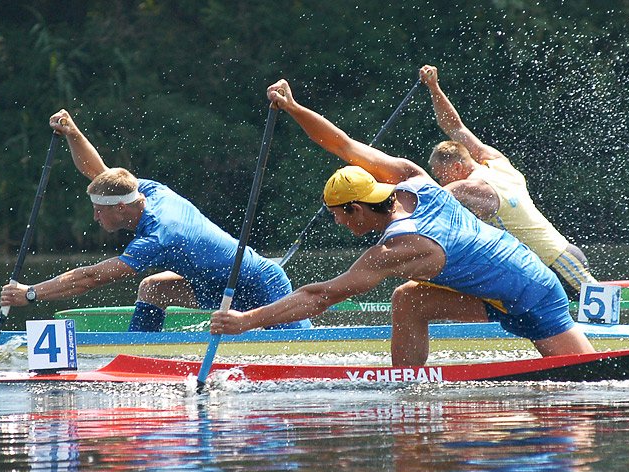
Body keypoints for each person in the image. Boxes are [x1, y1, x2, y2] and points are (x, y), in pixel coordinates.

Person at [210, 80, 595, 366]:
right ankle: (407, 386)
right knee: (409, 299)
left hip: (532, 294)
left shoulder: (400, 247)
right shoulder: (413, 178)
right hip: (501, 292)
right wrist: (294, 108)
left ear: (356, 209)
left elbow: (320, 296)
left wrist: (246, 321)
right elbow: (342, 145)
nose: (338, 224)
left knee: (582, 389)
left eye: (337, 215)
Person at [0, 109, 310, 331]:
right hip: (216, 285)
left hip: (261, 286)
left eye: (100, 210)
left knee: (298, 353)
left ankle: (139, 353)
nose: (95, 216)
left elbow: (91, 277)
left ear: (121, 208)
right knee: (154, 288)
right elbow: (100, 174)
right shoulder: (147, 190)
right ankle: (140, 350)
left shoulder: (158, 236)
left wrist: (30, 293)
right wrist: (73, 133)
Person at [418, 64, 597, 298]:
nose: (441, 181)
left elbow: (429, 196)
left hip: (557, 261)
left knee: (605, 315)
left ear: (457, 167)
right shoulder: (495, 161)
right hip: (540, 270)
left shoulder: (471, 187)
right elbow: (455, 127)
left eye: (441, 175)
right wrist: (434, 88)